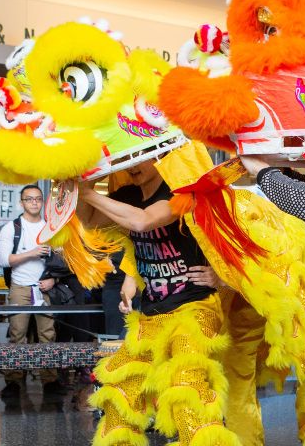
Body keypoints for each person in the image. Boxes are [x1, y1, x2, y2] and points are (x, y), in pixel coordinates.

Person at [78, 156, 235, 446]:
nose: (132, 166)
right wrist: (80, 186)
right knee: (121, 392)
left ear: (159, 157)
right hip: (151, 315)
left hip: (193, 308)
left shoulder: (180, 190)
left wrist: (221, 276)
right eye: (127, 161)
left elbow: (143, 221)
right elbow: (89, 220)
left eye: (139, 159)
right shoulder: (128, 196)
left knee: (186, 389)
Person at [0, 184, 60, 397]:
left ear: (42, 202)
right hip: (20, 287)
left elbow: (63, 260)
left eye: (38, 199)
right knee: (17, 334)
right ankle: (14, 381)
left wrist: (54, 278)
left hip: (45, 288)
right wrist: (32, 253)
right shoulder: (11, 228)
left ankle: (50, 381)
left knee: (48, 334)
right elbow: (4, 260)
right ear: (21, 202)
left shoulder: (51, 228)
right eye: (29, 199)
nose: (34, 202)